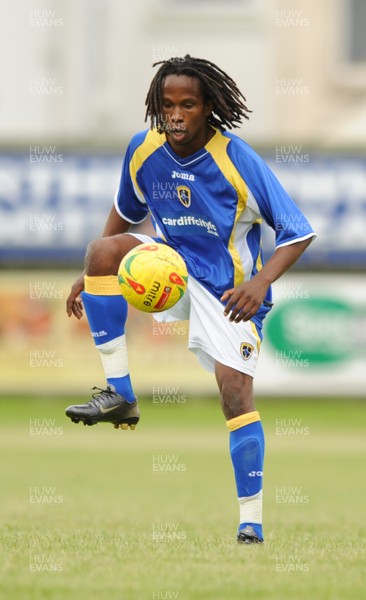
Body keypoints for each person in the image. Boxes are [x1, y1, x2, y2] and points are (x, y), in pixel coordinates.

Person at [65, 55, 316, 544]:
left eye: (188, 105)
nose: (175, 115)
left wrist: (260, 283)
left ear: (208, 109)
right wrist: (94, 268)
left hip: (227, 290)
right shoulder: (144, 149)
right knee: (100, 250)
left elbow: (297, 232)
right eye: (167, 105)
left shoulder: (236, 158)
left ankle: (251, 522)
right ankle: (121, 395)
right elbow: (125, 208)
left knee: (234, 395)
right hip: (168, 269)